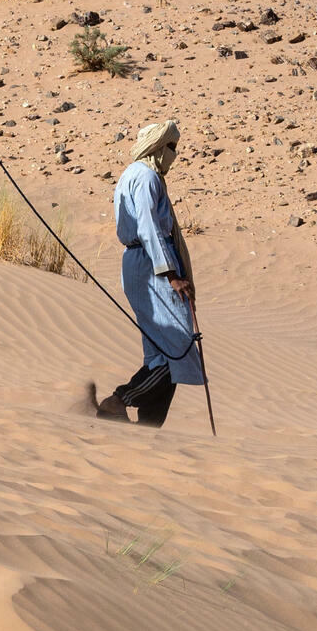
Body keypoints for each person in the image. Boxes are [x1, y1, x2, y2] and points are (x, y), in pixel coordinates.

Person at [91, 120, 204, 428]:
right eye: (171, 147)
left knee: (161, 355)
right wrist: (171, 275)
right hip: (150, 265)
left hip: (146, 262)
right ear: (158, 147)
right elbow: (149, 228)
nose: (174, 155)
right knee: (177, 351)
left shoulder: (139, 175)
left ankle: (149, 428)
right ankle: (118, 401)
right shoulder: (145, 176)